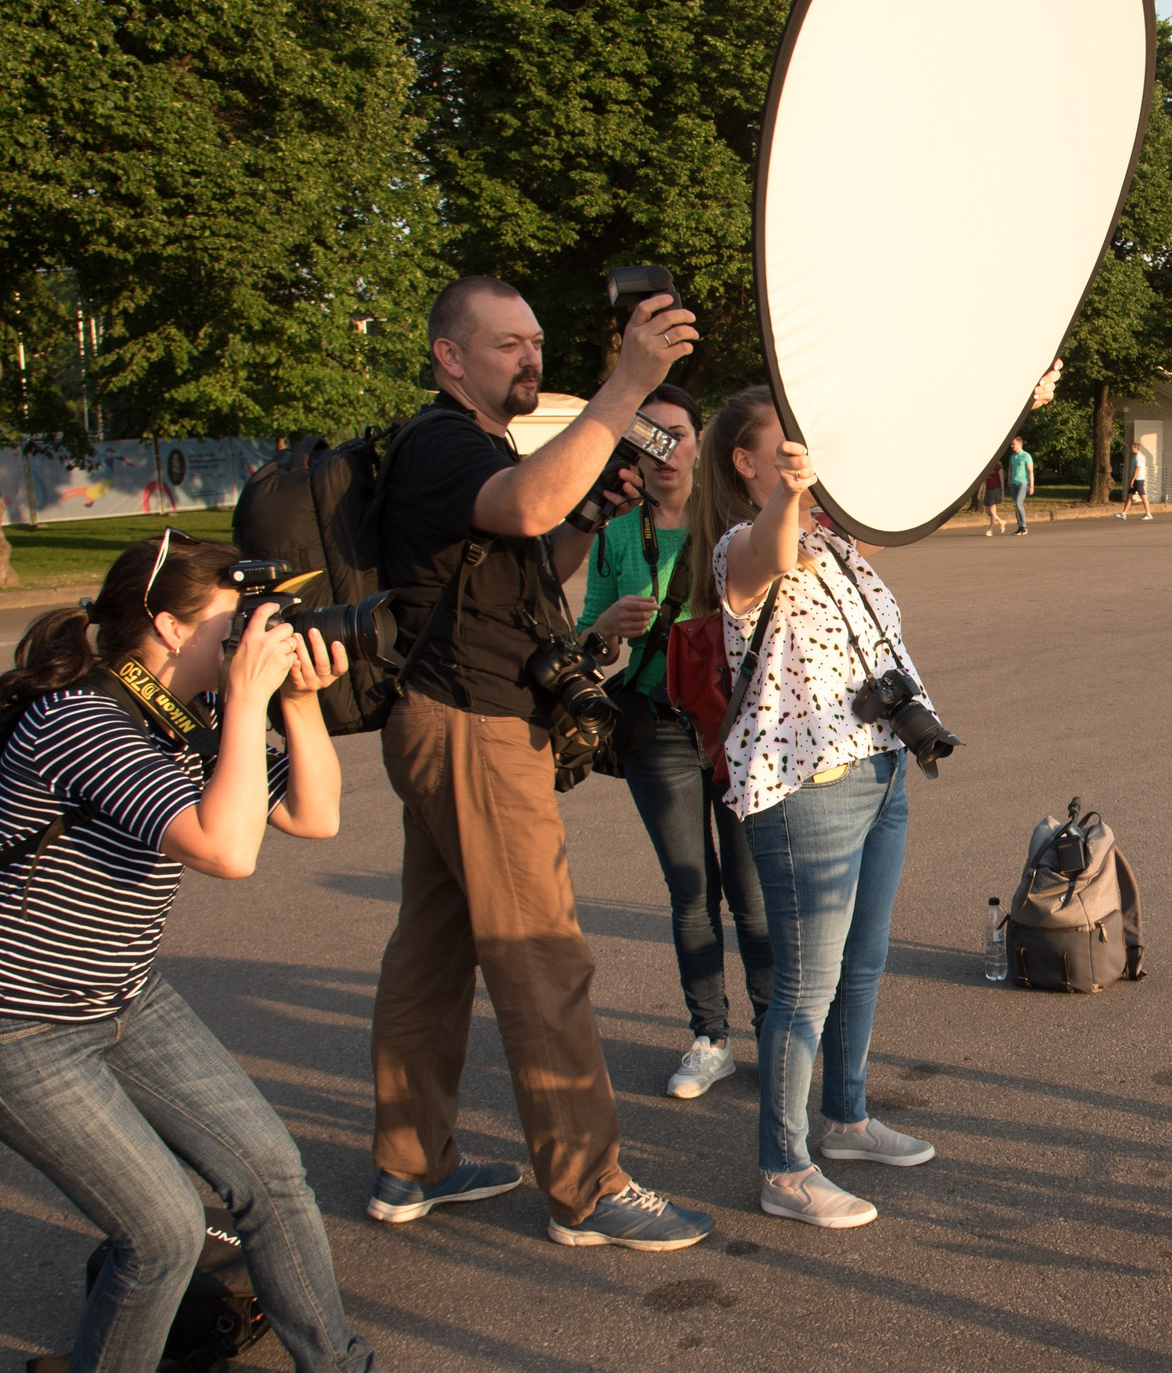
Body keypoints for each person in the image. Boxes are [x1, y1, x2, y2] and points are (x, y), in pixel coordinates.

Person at [0, 533, 460, 1373]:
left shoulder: (186, 713)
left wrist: (295, 700)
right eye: (234, 618)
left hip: (121, 994)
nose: (256, 632)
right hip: (10, 1024)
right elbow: (227, 849)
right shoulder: (78, 718)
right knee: (166, 1227)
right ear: (168, 625)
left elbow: (315, 817)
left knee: (273, 1171)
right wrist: (251, 697)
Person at [368, 274, 714, 1251]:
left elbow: (530, 556)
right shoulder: (442, 440)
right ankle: (587, 1185)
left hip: (453, 718)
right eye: (508, 343)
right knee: (542, 958)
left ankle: (411, 1163)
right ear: (451, 356)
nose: (532, 357)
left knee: (433, 952)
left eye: (536, 339)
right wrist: (625, 385)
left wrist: (593, 513)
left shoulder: (471, 448)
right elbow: (522, 507)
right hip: (473, 729)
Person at [697, 386, 939, 1230]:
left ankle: (846, 1118)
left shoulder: (837, 544)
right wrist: (789, 494)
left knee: (861, 966)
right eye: (787, 444)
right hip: (809, 789)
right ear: (746, 460)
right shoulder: (742, 546)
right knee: (805, 985)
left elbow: (912, 482)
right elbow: (771, 547)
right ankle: (783, 1166)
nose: (808, 457)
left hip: (879, 770)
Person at [577, 384, 773, 1102]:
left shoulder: (735, 522)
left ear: (700, 445)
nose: (665, 450)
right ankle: (711, 1037)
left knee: (754, 893)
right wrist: (603, 632)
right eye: (649, 436)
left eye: (678, 434)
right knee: (693, 890)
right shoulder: (615, 533)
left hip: (735, 724)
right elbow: (584, 632)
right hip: (656, 726)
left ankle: (774, 1032)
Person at [1004, 435, 1035, 532]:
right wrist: (1008, 480)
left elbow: (1030, 472)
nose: (1012, 446)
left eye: (1014, 444)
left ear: (1019, 444)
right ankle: (1019, 526)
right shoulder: (1012, 457)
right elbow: (1010, 469)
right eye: (1011, 444)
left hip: (1023, 483)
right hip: (1013, 483)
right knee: (1015, 504)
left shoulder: (1026, 456)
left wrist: (1031, 486)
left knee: (1018, 502)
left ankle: (1024, 526)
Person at [1120, 441, 1150, 518]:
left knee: (1142, 496)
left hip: (1138, 479)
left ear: (1136, 448)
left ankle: (1148, 513)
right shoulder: (1136, 456)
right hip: (1136, 479)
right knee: (1129, 495)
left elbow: (1138, 468)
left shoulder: (1138, 457)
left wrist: (1133, 479)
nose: (1131, 449)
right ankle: (1124, 513)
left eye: (1132, 448)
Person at [979, 456, 1008, 535]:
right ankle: (1001, 521)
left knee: (992, 511)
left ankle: (990, 530)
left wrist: (1002, 493)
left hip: (996, 490)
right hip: (988, 490)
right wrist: (979, 492)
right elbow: (984, 481)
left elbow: (1002, 481)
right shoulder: (987, 467)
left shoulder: (999, 467)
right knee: (988, 512)